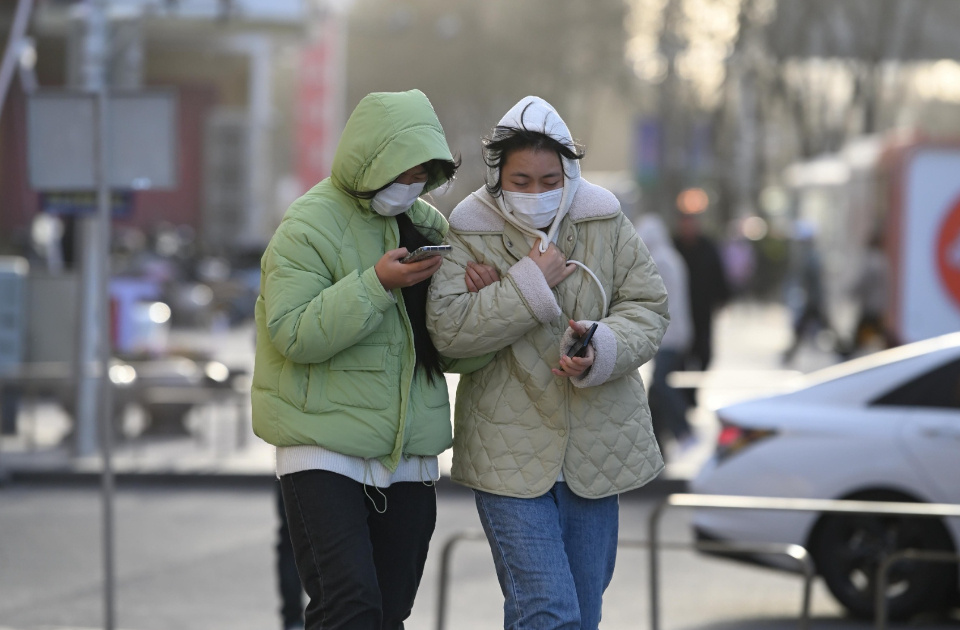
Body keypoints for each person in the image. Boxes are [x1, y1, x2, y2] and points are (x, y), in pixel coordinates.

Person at [251, 89, 495, 630]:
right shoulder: (307, 225)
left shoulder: (429, 224)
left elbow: (448, 350)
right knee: (350, 608)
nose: (409, 184)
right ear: (368, 160)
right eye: (400, 171)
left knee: (390, 613)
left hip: (407, 456)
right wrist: (376, 284)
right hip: (323, 452)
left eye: (422, 174)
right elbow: (293, 333)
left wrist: (478, 300)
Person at [426, 96, 669, 629]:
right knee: (549, 611)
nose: (535, 192)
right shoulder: (469, 228)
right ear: (497, 177)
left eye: (548, 179)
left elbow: (649, 308)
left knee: (580, 616)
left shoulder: (605, 218)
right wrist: (526, 285)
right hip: (505, 454)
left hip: (597, 451)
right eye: (520, 180)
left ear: (570, 173)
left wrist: (601, 346)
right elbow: (447, 330)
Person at [635, 213, 696, 458]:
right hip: (675, 332)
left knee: (661, 383)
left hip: (669, 334)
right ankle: (657, 447)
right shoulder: (671, 257)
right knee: (656, 393)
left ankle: (684, 430)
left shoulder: (659, 260)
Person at [673, 213, 730, 385]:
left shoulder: (708, 247)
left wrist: (722, 298)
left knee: (704, 354)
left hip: (703, 311)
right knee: (680, 357)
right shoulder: (674, 247)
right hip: (679, 312)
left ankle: (692, 390)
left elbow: (718, 274)